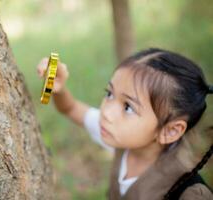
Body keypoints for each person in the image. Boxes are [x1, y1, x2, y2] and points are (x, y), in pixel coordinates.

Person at [36, 48, 213, 199]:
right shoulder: (124, 139)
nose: (106, 112)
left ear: (170, 131)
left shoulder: (188, 192)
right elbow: (71, 108)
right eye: (109, 94)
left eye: (128, 107)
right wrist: (56, 86)